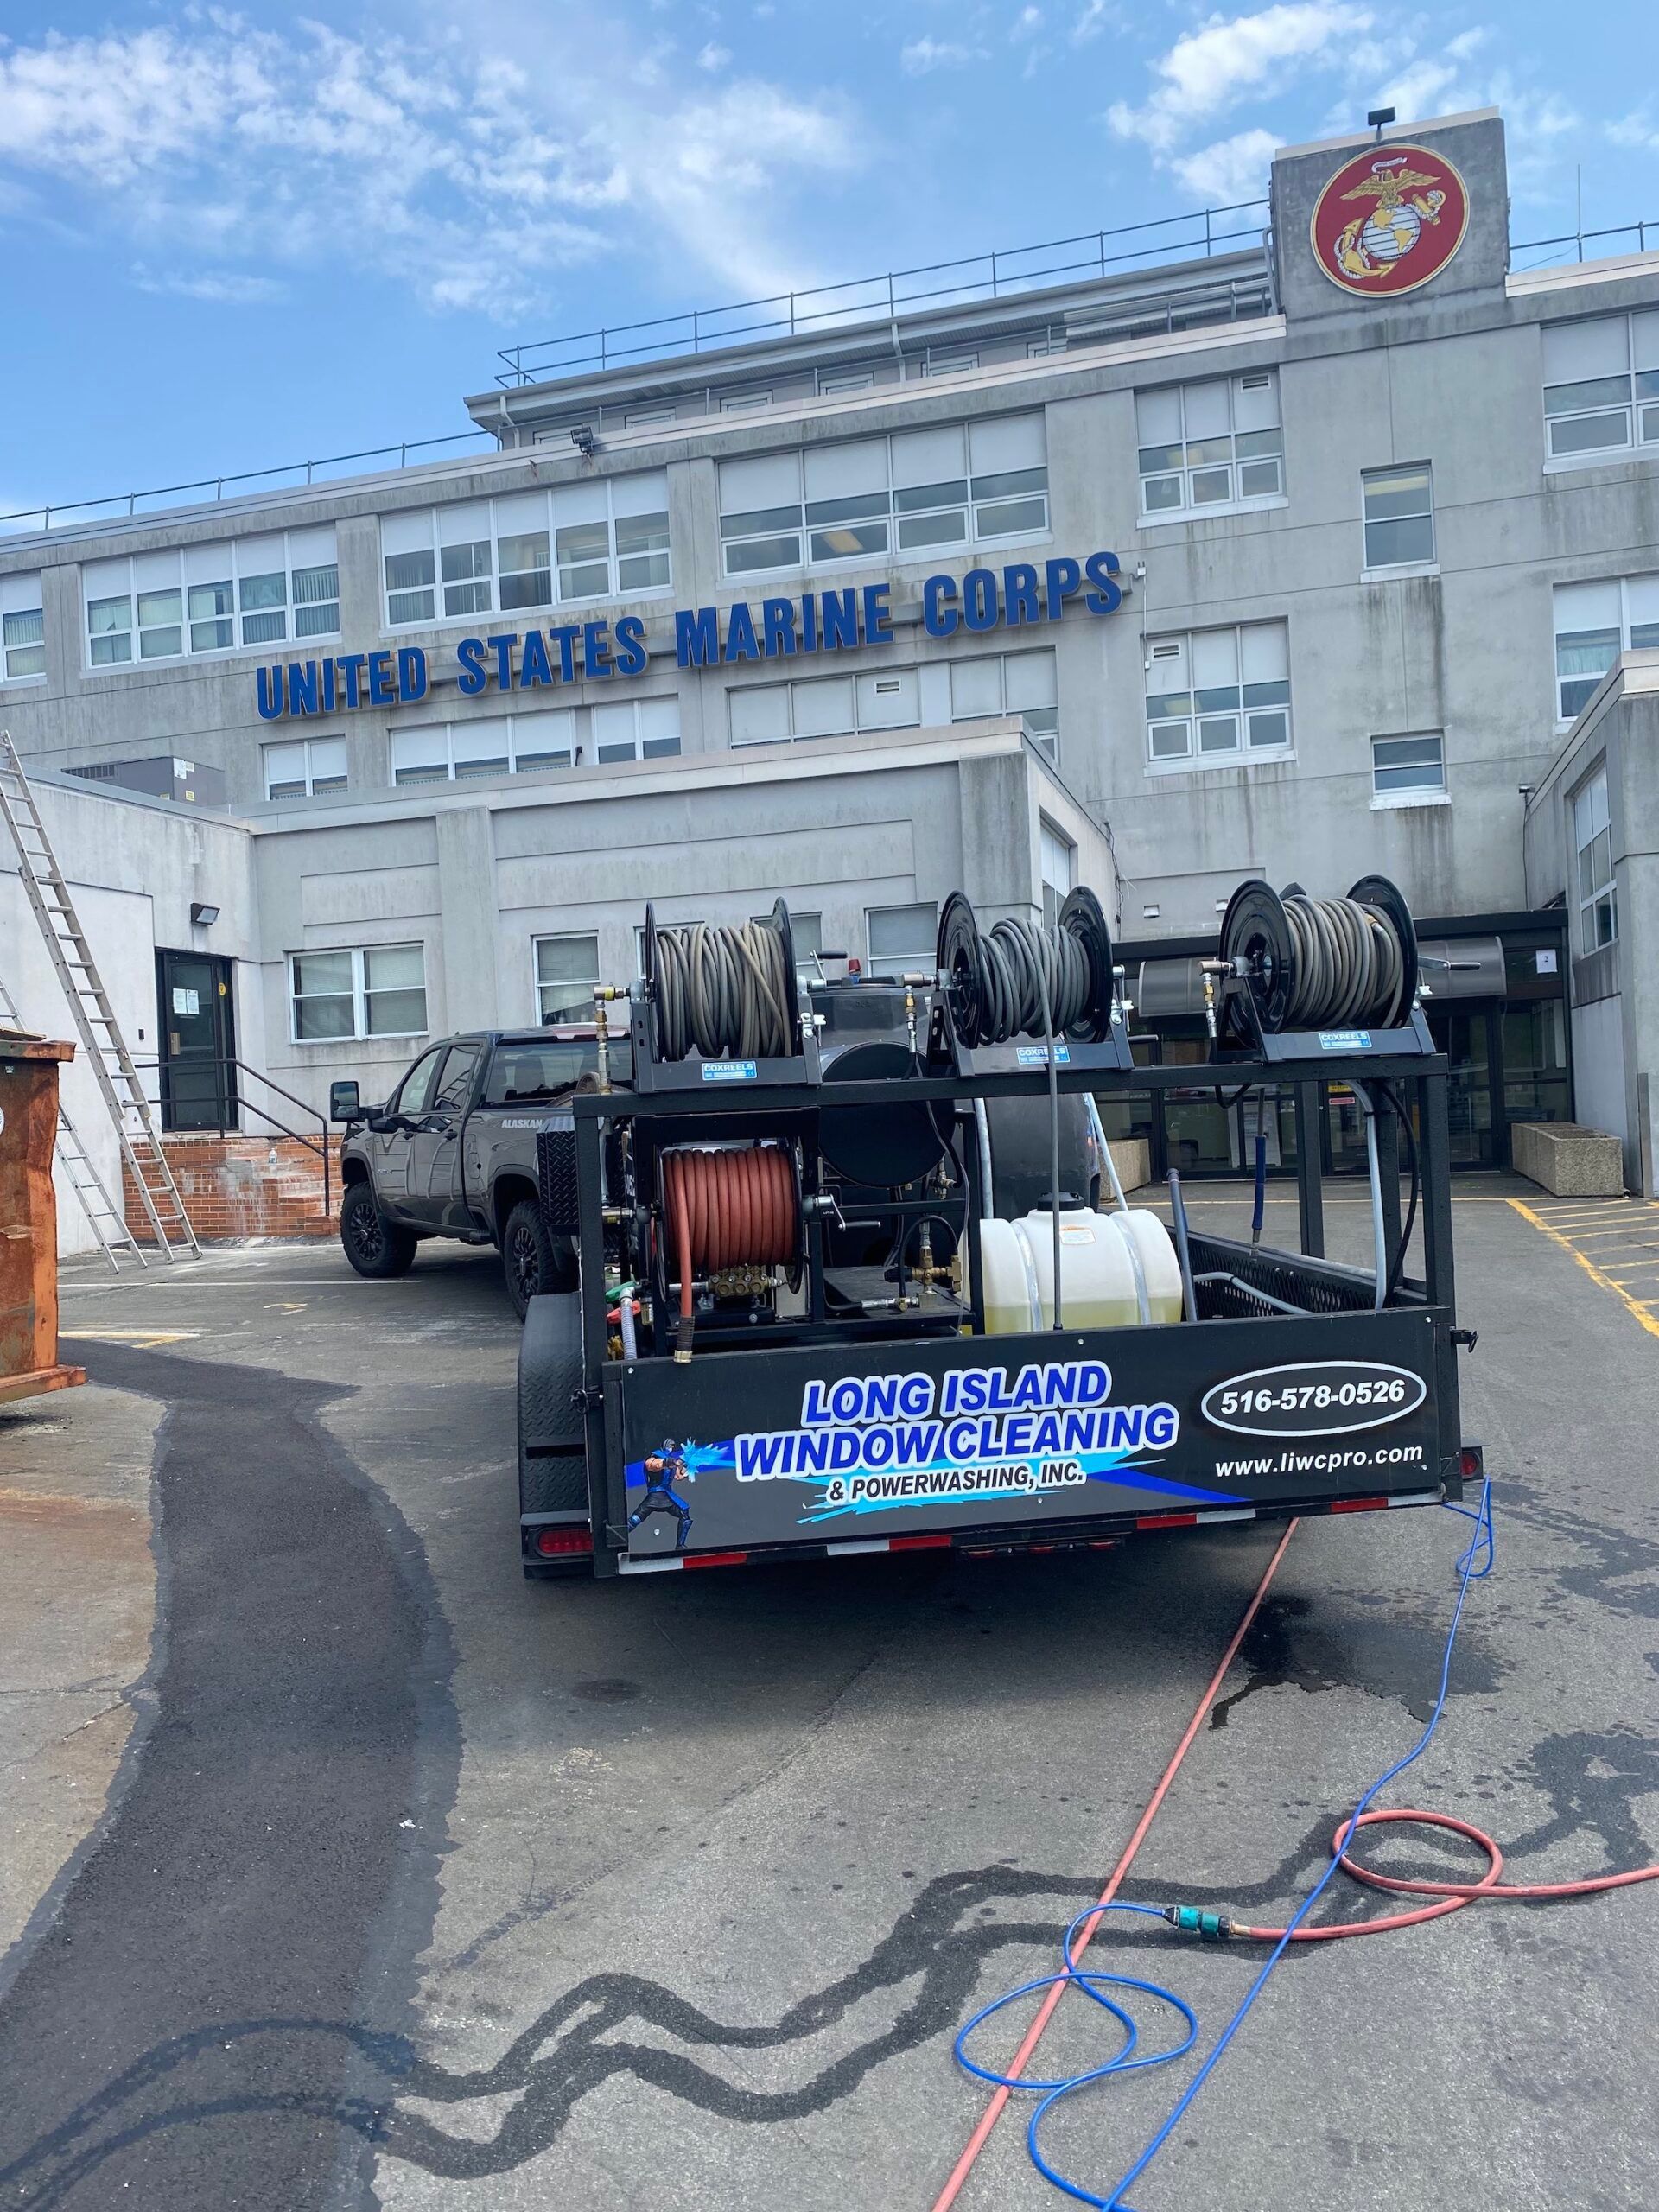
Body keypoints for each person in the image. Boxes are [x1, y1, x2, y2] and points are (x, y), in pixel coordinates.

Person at [626, 1439, 694, 1551]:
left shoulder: (671, 1460)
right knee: (635, 1519)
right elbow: (653, 1465)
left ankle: (680, 1545)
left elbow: (678, 1476)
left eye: (672, 1447)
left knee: (684, 1514)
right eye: (669, 1446)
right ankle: (620, 1537)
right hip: (656, 1494)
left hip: (667, 1494)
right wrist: (670, 1462)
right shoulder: (655, 1456)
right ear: (664, 1446)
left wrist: (685, 1465)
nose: (671, 1449)